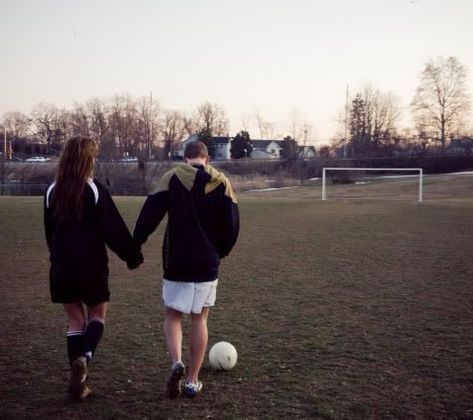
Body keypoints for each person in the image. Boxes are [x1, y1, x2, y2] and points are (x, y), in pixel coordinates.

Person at [133, 140, 239, 398]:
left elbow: (149, 215)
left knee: (172, 316)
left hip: (177, 261)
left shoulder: (171, 178)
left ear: (185, 159)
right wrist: (220, 251)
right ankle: (192, 380)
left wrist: (135, 244)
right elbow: (233, 225)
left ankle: (176, 362)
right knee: (200, 318)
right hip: (207, 262)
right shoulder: (222, 182)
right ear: (207, 159)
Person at [44, 137, 143, 401]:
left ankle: (78, 381)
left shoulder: (52, 190)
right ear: (88, 159)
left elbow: (49, 233)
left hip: (62, 267)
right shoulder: (94, 189)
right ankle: (85, 358)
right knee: (97, 314)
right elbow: (115, 230)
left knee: (76, 320)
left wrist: (56, 258)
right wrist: (132, 256)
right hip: (91, 266)